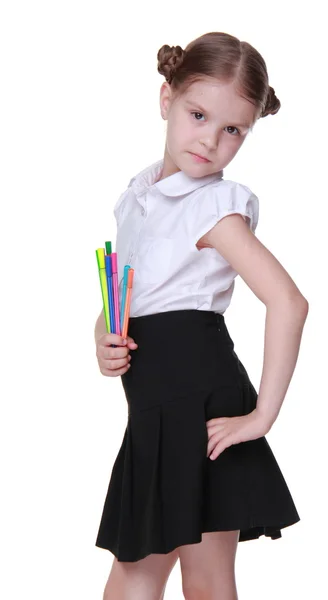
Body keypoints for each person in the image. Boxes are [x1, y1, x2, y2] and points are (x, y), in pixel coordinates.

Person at [94, 31, 309, 600]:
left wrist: (262, 416)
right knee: (135, 572)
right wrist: (103, 335)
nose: (210, 141)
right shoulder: (137, 197)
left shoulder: (215, 206)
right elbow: (127, 295)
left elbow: (288, 302)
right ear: (167, 100)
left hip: (203, 406)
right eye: (197, 114)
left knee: (204, 579)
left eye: (233, 129)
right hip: (153, 409)